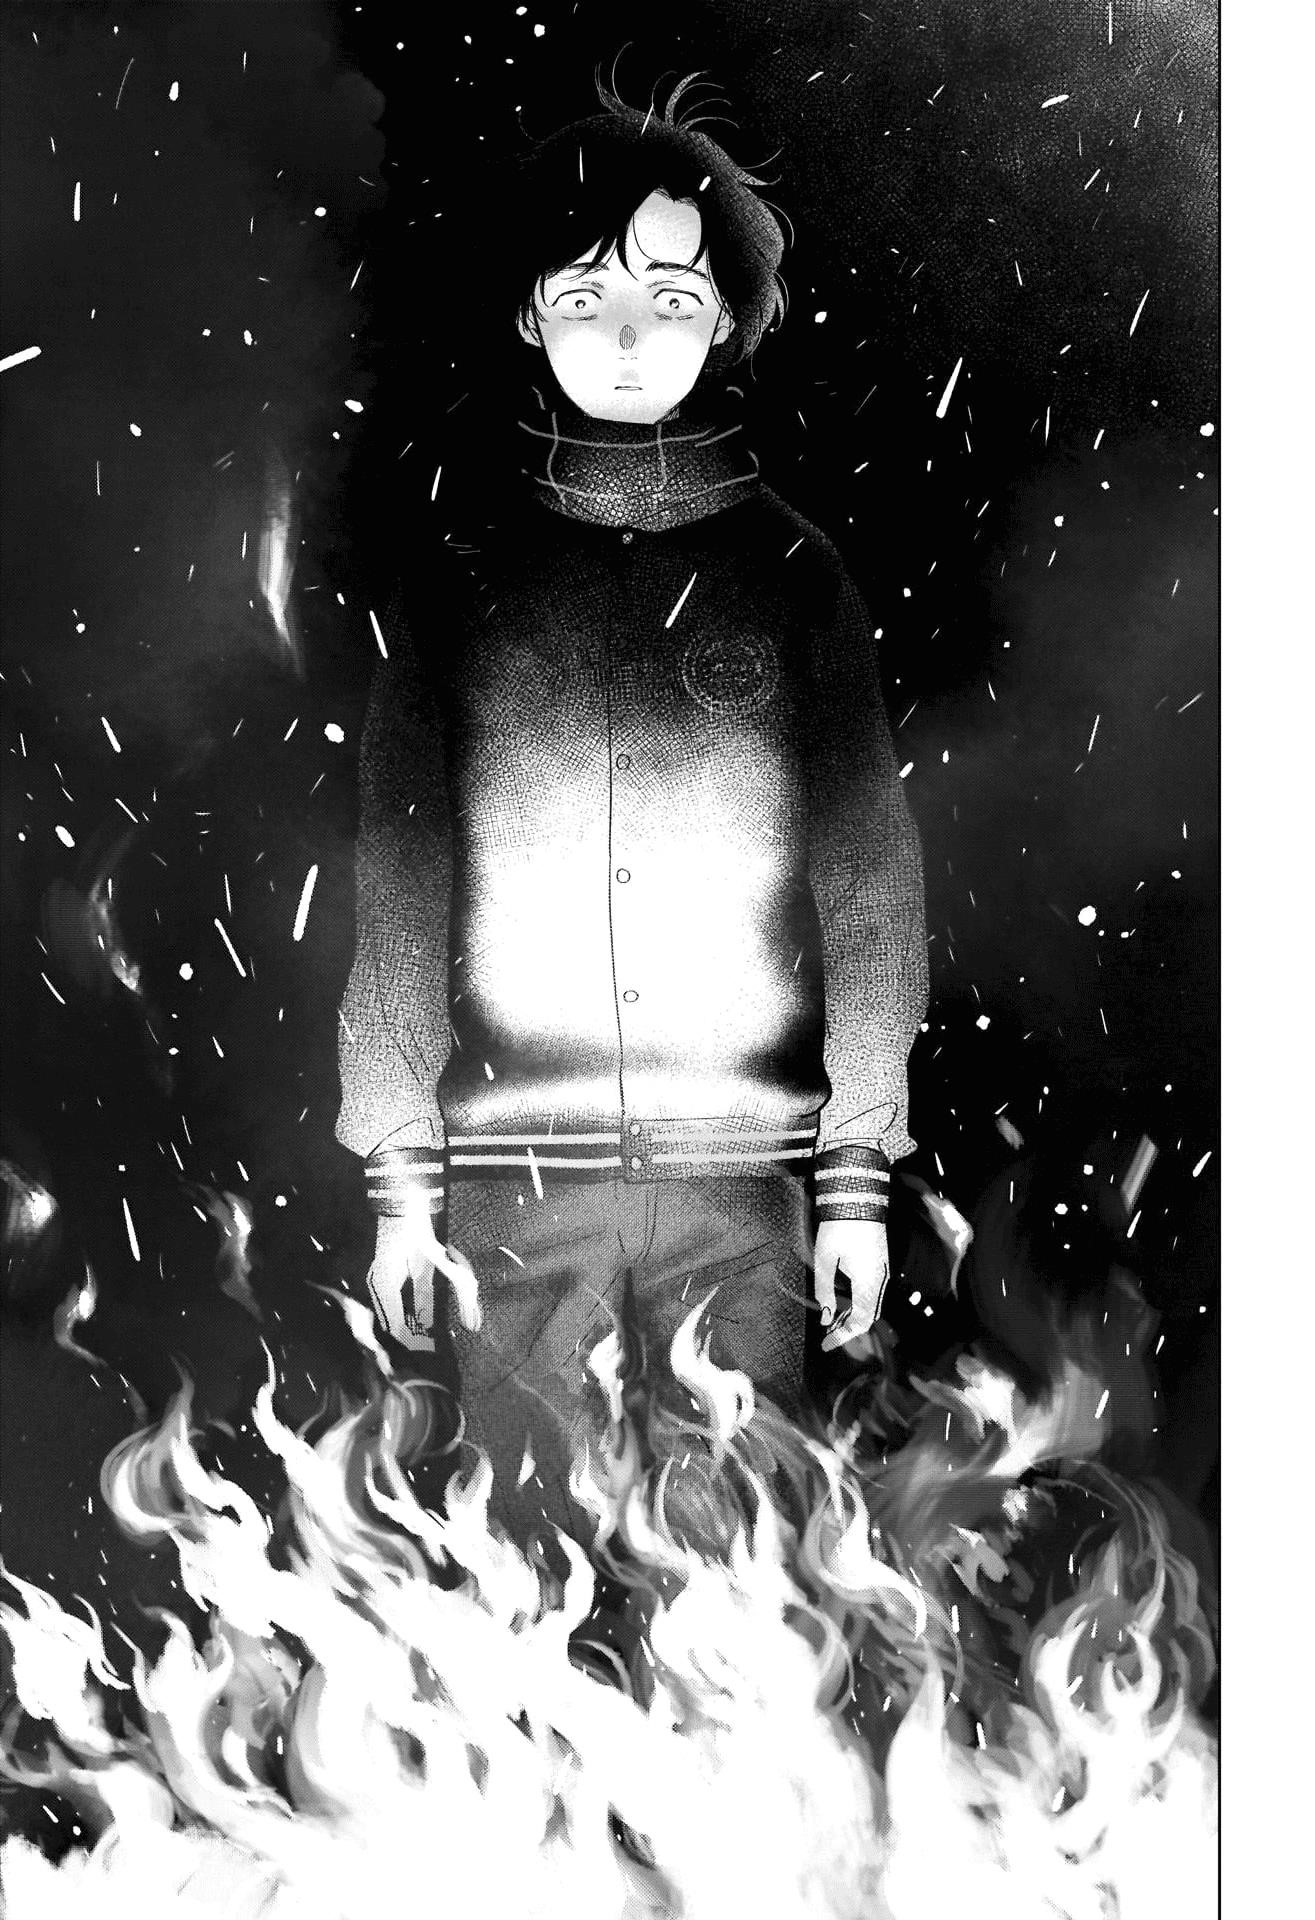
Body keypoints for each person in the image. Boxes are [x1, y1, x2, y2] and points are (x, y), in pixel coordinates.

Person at [335, 79, 929, 1558]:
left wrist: (855, 1179)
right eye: (583, 295)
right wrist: (401, 1177)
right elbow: (399, 891)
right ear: (528, 317)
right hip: (513, 1189)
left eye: (668, 299)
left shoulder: (796, 579)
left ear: (724, 322)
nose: (623, 338)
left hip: (746, 1186)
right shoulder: (457, 580)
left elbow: (870, 892)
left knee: (742, 1579)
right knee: (533, 1577)